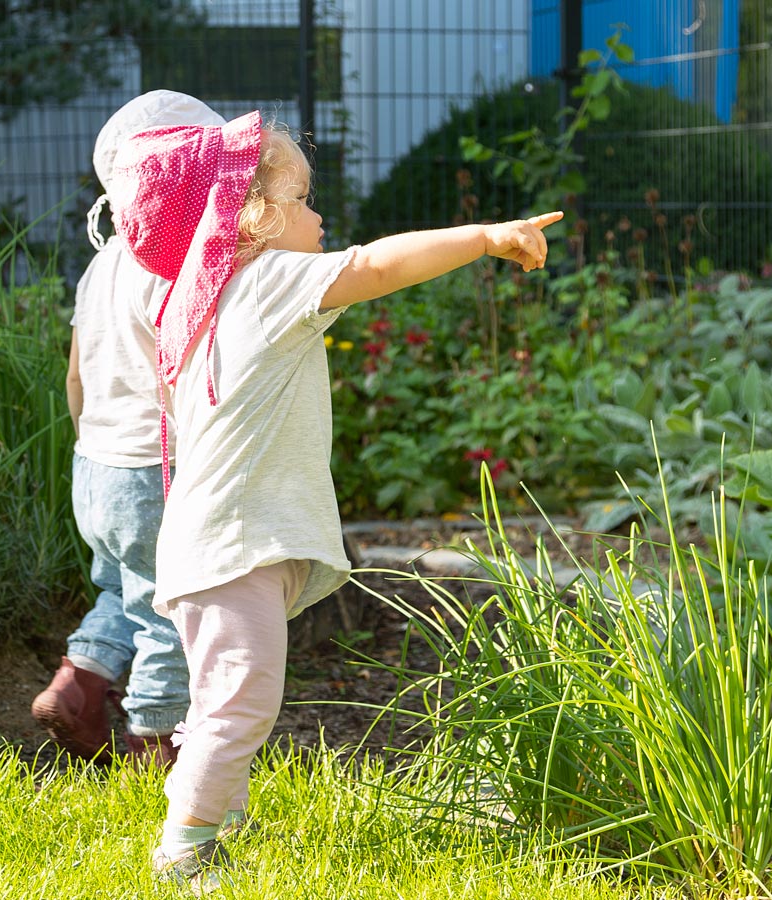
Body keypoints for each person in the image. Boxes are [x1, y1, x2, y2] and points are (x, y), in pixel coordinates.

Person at [108, 110, 558, 889]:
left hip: (219, 542)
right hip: (231, 545)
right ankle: (184, 847)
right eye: (305, 198)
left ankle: (214, 807)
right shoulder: (265, 283)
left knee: (233, 694)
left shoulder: (205, 298)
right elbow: (377, 265)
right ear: (253, 217)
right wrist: (487, 235)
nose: (320, 217)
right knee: (244, 697)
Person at [29, 91, 226, 764]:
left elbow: (75, 377)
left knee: (123, 590)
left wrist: (91, 448)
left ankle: (77, 686)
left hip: (97, 467)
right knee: (170, 608)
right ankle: (158, 743)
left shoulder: (100, 265)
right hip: (155, 471)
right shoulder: (173, 267)